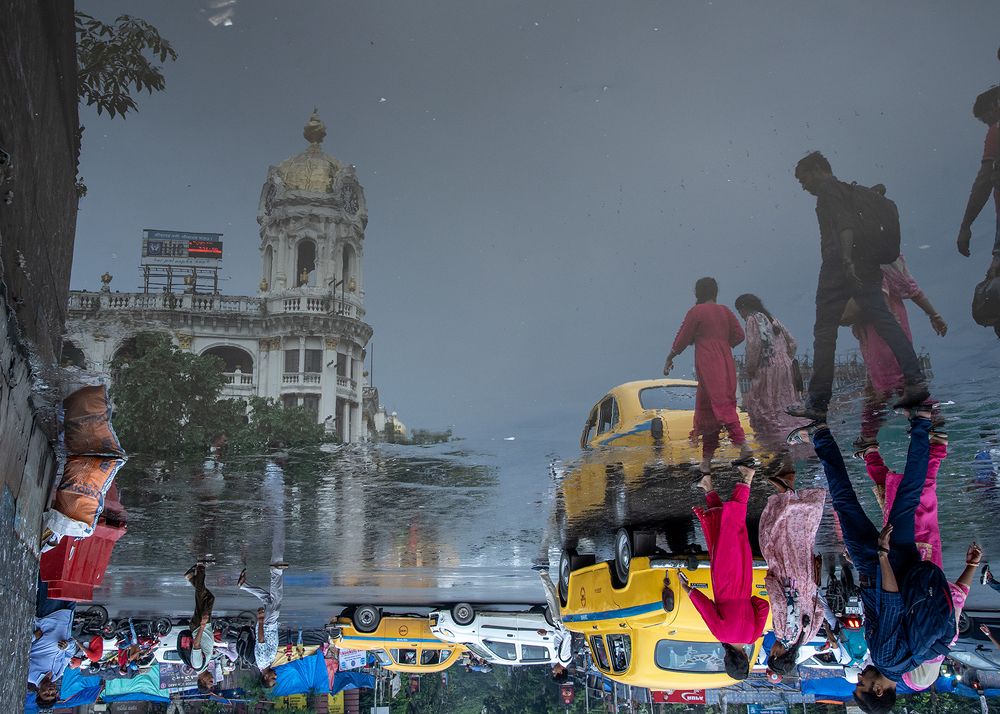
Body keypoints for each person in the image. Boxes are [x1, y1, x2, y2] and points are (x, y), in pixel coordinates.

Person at [787, 409, 968, 712]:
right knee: (845, 503)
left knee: (909, 496)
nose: (859, 676)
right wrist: (882, 556)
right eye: (862, 685)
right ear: (880, 691)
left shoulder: (911, 660)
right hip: (880, 566)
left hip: (907, 564)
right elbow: (893, 603)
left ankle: (921, 423)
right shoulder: (885, 657)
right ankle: (820, 436)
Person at [787, 152, 928, 422]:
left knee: (824, 334)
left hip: (839, 266)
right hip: (869, 266)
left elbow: (845, 225)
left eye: (804, 180)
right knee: (885, 321)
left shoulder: (828, 192)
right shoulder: (851, 191)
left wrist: (847, 260)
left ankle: (817, 402)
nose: (804, 187)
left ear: (817, 169)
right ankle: (916, 381)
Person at [857, 429, 981, 691]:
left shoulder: (943, 639)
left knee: (899, 501)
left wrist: (971, 566)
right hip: (905, 559)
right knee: (915, 500)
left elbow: (956, 596)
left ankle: (872, 454)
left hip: (927, 562)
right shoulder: (906, 646)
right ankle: (933, 447)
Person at [679, 462, 770, 680]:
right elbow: (705, 607)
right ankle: (746, 479)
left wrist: (747, 601)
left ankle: (708, 485)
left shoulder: (753, 635)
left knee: (724, 531)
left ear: (746, 659)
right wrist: (687, 588)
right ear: (727, 659)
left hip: (743, 580)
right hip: (723, 579)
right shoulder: (721, 634)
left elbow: (763, 604)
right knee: (731, 527)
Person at [851, 255, 947, 441]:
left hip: (882, 328)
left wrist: (889, 322)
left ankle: (930, 419)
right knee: (886, 381)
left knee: (889, 383)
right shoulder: (891, 256)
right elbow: (913, 289)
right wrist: (934, 314)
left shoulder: (867, 260)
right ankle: (868, 436)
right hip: (893, 325)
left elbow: (881, 295)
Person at [664, 277, 750, 473]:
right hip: (725, 361)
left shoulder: (696, 312)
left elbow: (682, 338)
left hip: (707, 362)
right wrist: (723, 345)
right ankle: (706, 462)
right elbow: (740, 335)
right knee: (708, 409)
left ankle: (744, 446)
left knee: (720, 404)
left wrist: (670, 357)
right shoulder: (725, 311)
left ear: (698, 294)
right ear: (715, 292)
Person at [758, 476, 832, 677]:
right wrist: (769, 581)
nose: (770, 649)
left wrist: (808, 594)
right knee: (775, 535)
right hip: (786, 575)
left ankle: (790, 486)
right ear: (776, 655)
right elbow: (779, 601)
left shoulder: (806, 637)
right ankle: (785, 494)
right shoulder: (784, 634)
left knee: (802, 537)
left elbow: (820, 611)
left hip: (807, 578)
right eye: (771, 653)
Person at [734, 293, 802, 450]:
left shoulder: (753, 319)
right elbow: (792, 343)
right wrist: (785, 359)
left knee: (764, 408)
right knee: (786, 405)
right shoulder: (772, 319)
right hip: (785, 368)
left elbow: (754, 346)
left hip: (766, 368)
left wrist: (750, 368)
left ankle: (775, 448)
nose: (741, 316)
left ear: (744, 308)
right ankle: (797, 443)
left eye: (740, 311)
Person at [957, 80, 1000, 262]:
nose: (987, 124)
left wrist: (965, 226)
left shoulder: (996, 130)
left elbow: (983, 182)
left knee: (992, 288)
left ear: (994, 105)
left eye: (986, 119)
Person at [238, 563, 288, 671]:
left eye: (272, 679)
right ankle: (244, 585)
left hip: (267, 625)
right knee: (267, 599)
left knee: (276, 600)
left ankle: (276, 571)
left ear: (265, 677)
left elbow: (261, 640)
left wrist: (261, 620)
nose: (275, 676)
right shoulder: (267, 663)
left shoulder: (262, 661)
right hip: (271, 626)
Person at [185, 562, 216, 678]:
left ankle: (200, 567)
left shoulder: (198, 665)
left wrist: (202, 626)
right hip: (203, 626)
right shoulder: (203, 666)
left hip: (200, 625)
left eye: (210, 682)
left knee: (202, 597)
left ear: (202, 681)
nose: (212, 680)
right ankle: (191, 577)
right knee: (208, 598)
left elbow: (196, 645)